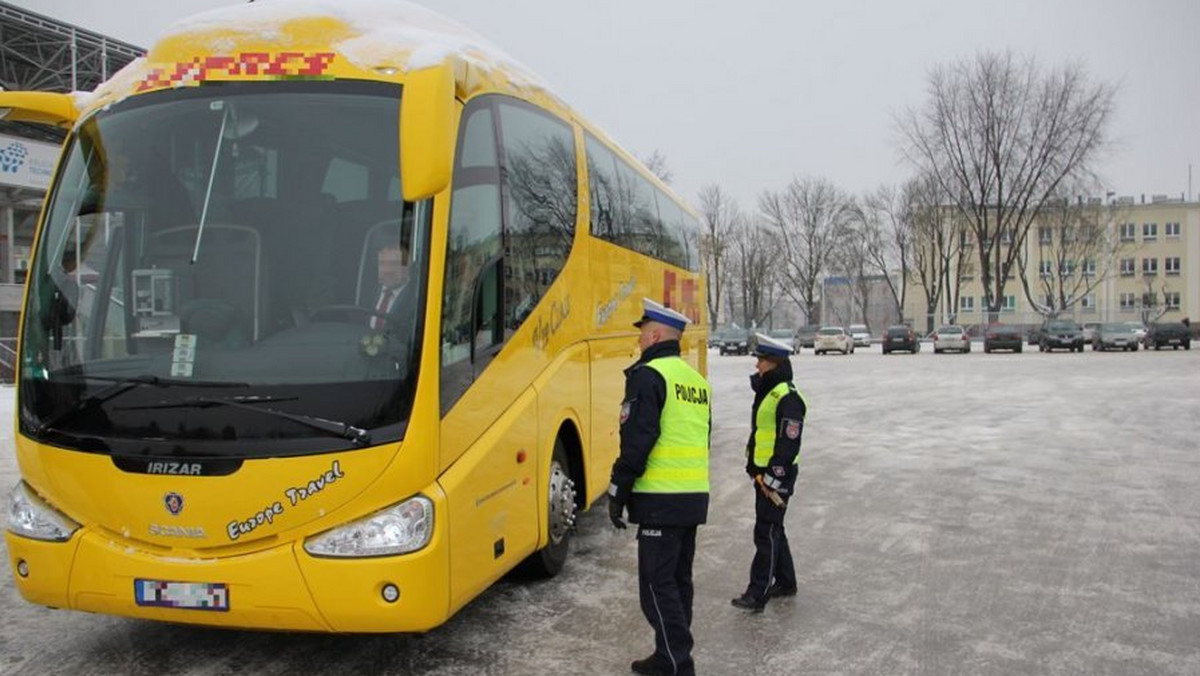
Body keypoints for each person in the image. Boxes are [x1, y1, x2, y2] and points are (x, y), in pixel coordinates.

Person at [608, 298, 711, 676]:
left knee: (655, 586)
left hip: (660, 500)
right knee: (677, 582)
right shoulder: (696, 382)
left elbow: (637, 440)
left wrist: (619, 488)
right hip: (692, 497)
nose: (640, 342)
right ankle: (667, 655)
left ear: (654, 335)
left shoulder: (648, 375)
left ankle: (678, 662)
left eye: (641, 335)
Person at [731, 332, 808, 613]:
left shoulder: (788, 398)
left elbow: (789, 442)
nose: (757, 366)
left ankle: (757, 592)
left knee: (767, 532)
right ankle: (786, 581)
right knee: (775, 528)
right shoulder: (770, 392)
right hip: (764, 474)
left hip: (777, 475)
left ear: (773, 362)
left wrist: (774, 477)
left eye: (761, 360)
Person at [368, 244, 409, 330]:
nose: (387, 270)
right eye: (382, 263)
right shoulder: (368, 293)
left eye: (393, 264)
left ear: (406, 267)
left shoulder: (416, 298)